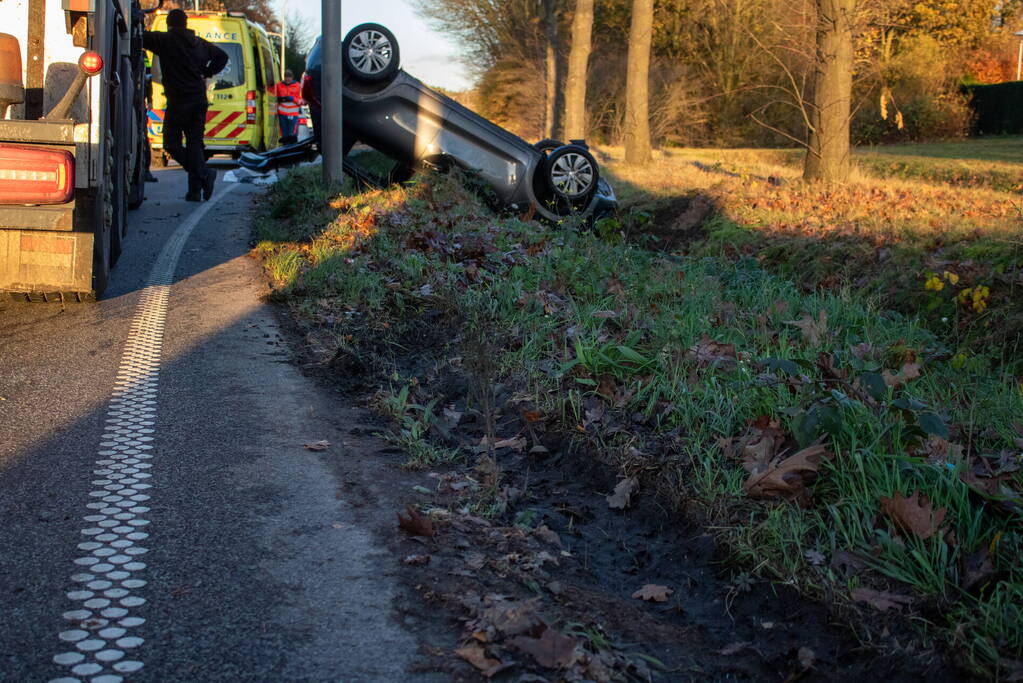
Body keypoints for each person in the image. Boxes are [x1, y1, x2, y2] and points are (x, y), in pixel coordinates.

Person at [143, 9, 228, 202]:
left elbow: (142, 37)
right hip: (198, 99)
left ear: (169, 24)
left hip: (179, 100)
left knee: (171, 144)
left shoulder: (166, 40)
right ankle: (195, 191)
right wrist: (207, 72)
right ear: (186, 23)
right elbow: (222, 56)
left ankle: (203, 174)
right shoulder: (199, 43)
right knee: (194, 144)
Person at [272, 70, 303, 144]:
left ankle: (292, 149)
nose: (287, 79)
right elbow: (274, 96)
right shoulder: (279, 85)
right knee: (284, 136)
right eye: (286, 77)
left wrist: (293, 99)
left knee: (292, 135)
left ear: (292, 78)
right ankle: (285, 148)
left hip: (293, 115)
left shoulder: (298, 86)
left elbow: (302, 102)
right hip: (282, 114)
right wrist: (279, 99)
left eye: (289, 77)